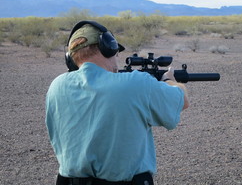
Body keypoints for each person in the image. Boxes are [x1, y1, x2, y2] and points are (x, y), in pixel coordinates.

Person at [46, 20, 190, 185]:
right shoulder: (136, 83)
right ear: (107, 48)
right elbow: (182, 101)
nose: (116, 60)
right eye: (116, 54)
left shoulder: (57, 85)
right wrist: (170, 81)